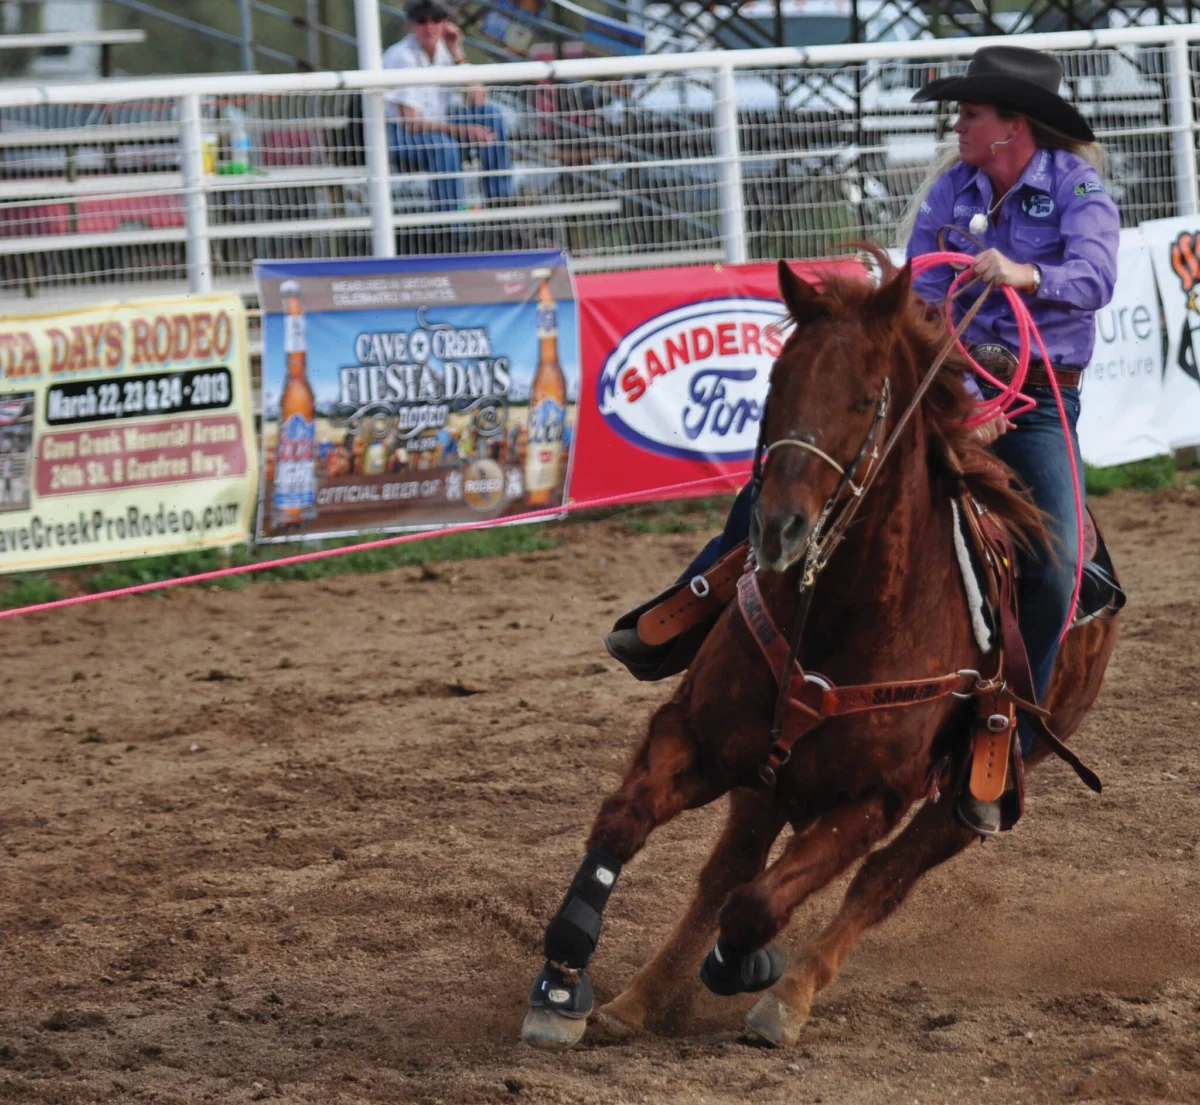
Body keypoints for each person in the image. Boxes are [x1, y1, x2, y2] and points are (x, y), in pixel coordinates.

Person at [605, 46, 1119, 838]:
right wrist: (968, 398)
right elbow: (923, 294)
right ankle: (692, 603)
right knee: (790, 480)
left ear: (1012, 125)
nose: (958, 125)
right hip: (951, 383)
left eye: (970, 113)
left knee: (1054, 565)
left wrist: (1026, 274)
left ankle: (1002, 731)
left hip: (1043, 399)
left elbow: (1095, 277)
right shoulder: (954, 187)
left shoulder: (1080, 192)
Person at [383, 0, 514, 212]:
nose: (429, 27)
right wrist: (465, 131)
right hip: (401, 135)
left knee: (491, 115)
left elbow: (477, 100)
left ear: (446, 23)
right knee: (443, 145)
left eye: (436, 20)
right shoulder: (401, 56)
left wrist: (457, 53)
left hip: (436, 124)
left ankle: (501, 204)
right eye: (422, 21)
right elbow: (411, 123)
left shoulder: (446, 49)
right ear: (411, 24)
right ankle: (451, 226)